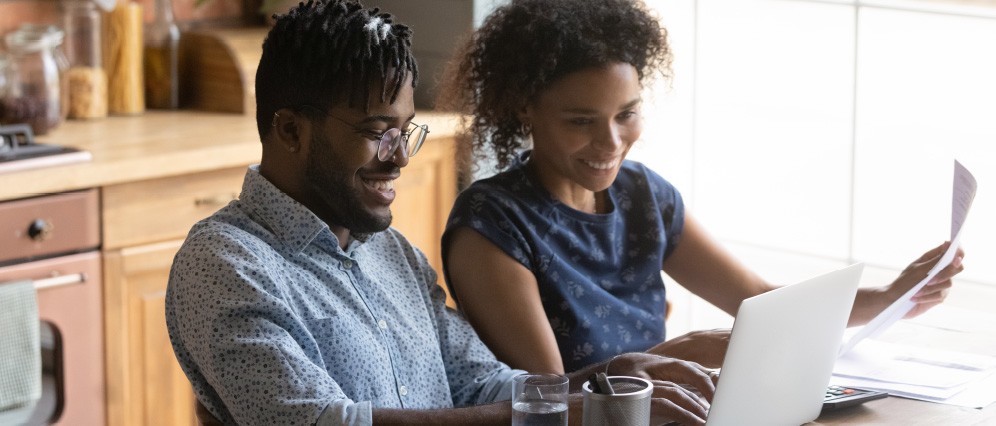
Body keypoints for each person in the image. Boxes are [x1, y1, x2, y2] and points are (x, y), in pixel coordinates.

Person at [165, 1, 719, 425]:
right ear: (290, 130)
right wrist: (573, 407)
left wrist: (613, 376)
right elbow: (327, 421)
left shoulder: (392, 253)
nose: (401, 157)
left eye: (405, 131)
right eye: (377, 133)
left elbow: (484, 386)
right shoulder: (226, 264)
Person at [438, 0, 966, 375]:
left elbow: (759, 301)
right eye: (581, 121)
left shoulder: (643, 195)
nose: (611, 142)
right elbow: (550, 398)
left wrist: (893, 296)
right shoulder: (491, 223)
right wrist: (687, 352)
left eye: (627, 114)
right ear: (524, 107)